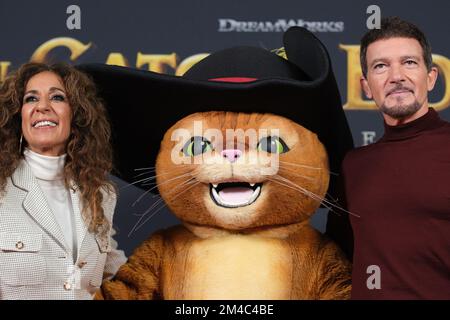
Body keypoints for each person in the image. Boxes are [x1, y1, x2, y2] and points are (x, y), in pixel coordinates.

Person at [326, 17, 449, 299]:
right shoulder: (354, 166)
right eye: (381, 66)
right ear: (367, 86)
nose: (396, 76)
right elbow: (338, 256)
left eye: (409, 63)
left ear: (430, 78)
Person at [0, 62, 127, 299]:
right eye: (31, 99)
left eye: (57, 97)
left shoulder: (100, 193)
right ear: (19, 115)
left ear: (76, 114)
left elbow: (118, 276)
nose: (43, 107)